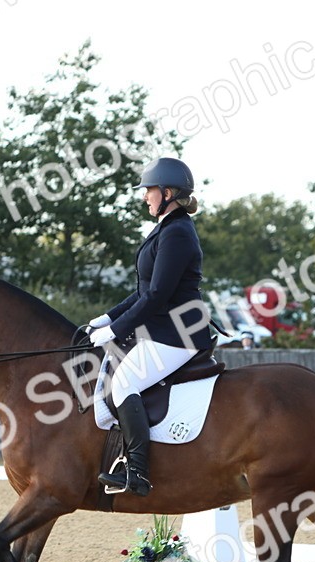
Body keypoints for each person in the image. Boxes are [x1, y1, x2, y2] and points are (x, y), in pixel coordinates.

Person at [86, 157, 210, 496]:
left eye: (149, 191)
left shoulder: (178, 234)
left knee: (124, 383)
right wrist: (108, 318)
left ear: (168, 193)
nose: (145, 197)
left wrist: (115, 331)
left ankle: (137, 471)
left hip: (178, 334)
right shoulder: (168, 229)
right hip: (165, 330)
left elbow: (156, 295)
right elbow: (143, 290)